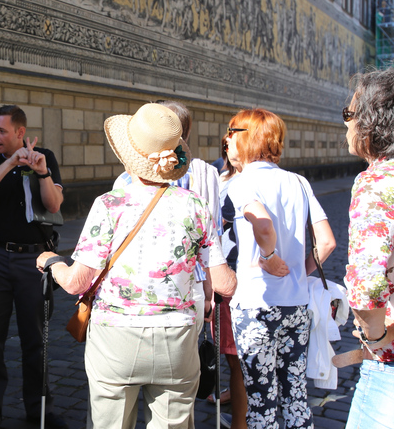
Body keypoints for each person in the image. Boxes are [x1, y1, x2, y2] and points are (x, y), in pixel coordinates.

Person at [38, 103, 237, 429]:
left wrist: (51, 262)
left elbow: (77, 282)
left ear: (129, 156)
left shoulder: (109, 205)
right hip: (177, 340)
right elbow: (225, 284)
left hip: (116, 338)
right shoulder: (195, 206)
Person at [224, 109, 336, 429]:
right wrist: (298, 271)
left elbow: (261, 220)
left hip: (256, 306)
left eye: (232, 133)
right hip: (296, 305)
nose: (227, 140)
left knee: (261, 401)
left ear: (247, 138)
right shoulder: (298, 181)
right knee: (295, 397)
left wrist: (270, 256)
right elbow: (327, 242)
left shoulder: (243, 182)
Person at [0, 105, 66, 429]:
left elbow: (53, 204)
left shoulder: (46, 157)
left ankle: (40, 411)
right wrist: (9, 162)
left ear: (20, 132)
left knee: (36, 340)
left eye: (1, 131)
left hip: (33, 261)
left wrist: (41, 172)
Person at [341, 66, 394, 429]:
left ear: (372, 123)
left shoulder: (380, 182)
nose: (346, 124)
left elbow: (364, 286)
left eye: (350, 114)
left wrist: (376, 336)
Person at [113, 100, 220, 335]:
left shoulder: (124, 181)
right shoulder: (206, 174)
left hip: (136, 282)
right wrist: (210, 290)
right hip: (191, 283)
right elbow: (213, 240)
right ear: (187, 134)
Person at [209, 137, 247, 429]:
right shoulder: (219, 176)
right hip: (224, 269)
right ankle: (234, 394)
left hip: (235, 273)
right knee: (229, 350)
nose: (227, 147)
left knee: (237, 355)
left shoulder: (246, 182)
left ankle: (240, 421)